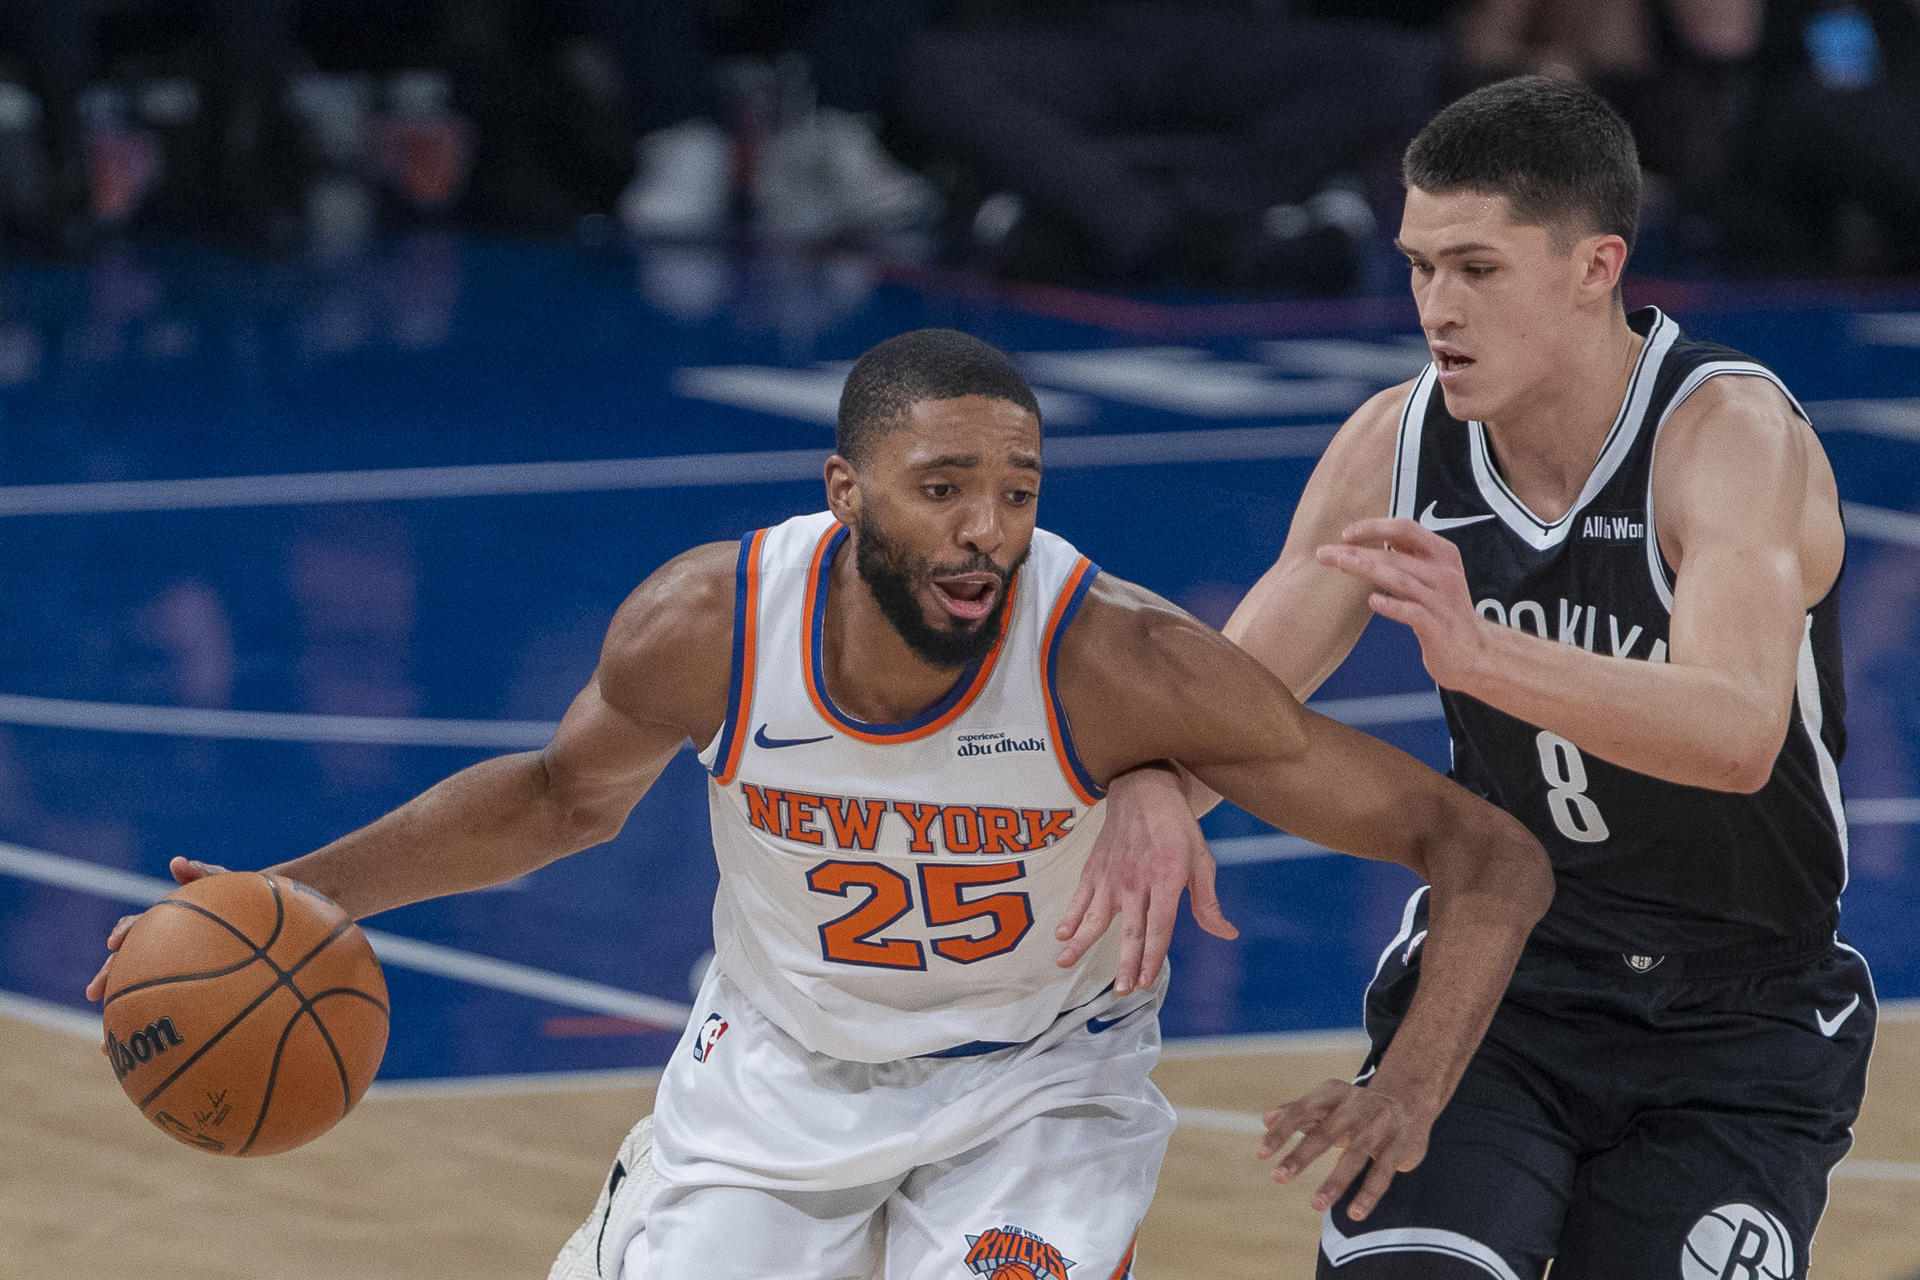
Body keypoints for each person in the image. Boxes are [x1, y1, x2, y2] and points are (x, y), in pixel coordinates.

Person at [86, 328, 1552, 1279]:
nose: (988, 525)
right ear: (845, 491)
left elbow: (1483, 852)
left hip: (1030, 1090)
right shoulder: (707, 626)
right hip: (776, 1077)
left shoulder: (1122, 663)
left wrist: (1406, 1090)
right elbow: (554, 800)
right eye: (943, 487)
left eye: (1020, 491)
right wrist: (304, 894)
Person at [1083, 76, 1874, 1278]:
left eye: (1478, 269)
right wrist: (1153, 787)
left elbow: (1737, 729)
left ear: (1594, 266)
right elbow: (1232, 703)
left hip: (1741, 1016)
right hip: (1507, 987)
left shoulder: (1725, 438)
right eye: (1418, 267)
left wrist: (1479, 648)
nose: (1436, 308)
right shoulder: (1394, 444)